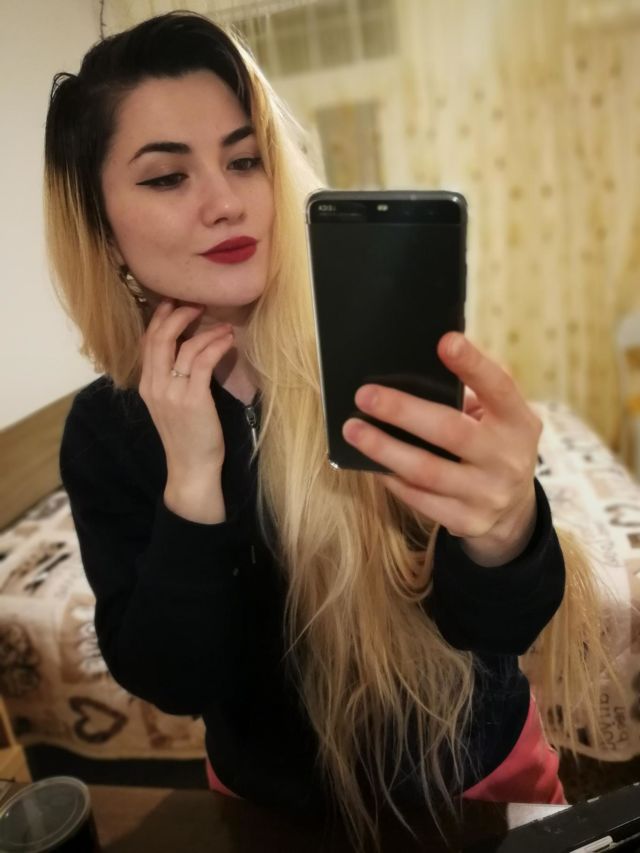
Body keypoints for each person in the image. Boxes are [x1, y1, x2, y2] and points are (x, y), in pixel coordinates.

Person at [44, 11, 611, 849]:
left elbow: (499, 626)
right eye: (167, 177)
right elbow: (176, 678)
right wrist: (192, 480)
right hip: (267, 810)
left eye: (245, 160)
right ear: (102, 227)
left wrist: (506, 532)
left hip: (474, 786)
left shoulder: (376, 347)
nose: (226, 202)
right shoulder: (106, 430)